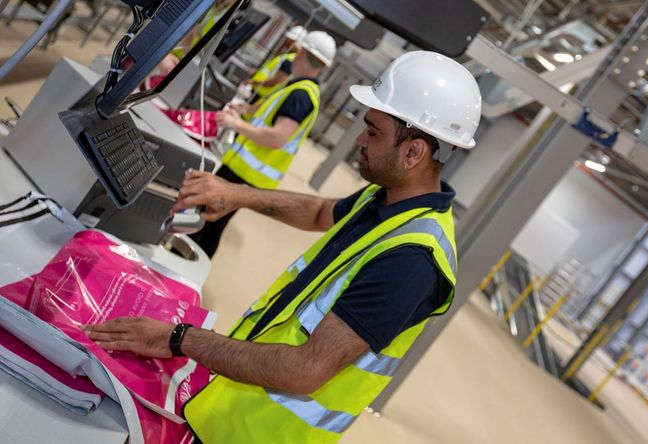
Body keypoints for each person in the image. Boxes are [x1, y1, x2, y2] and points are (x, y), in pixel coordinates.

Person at [85, 51, 482, 443]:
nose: (359, 139)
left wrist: (178, 338)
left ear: (413, 152)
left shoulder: (413, 260)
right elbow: (322, 211)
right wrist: (240, 195)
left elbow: (304, 370)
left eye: (373, 131)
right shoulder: (386, 200)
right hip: (227, 411)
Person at [190, 30, 337, 257]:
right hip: (243, 169)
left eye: (300, 51)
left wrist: (235, 124)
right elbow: (263, 114)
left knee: (208, 221)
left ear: (304, 54)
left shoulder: (301, 95)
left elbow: (277, 137)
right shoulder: (297, 87)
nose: (295, 54)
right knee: (207, 220)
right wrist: (244, 111)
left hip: (247, 173)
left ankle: (186, 271)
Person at [244, 25, 308, 102]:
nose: (287, 41)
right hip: (257, 91)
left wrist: (254, 82)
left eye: (290, 40)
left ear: (297, 43)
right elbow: (271, 72)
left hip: (261, 96)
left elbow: (276, 81)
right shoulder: (287, 55)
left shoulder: (290, 60)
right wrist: (257, 73)